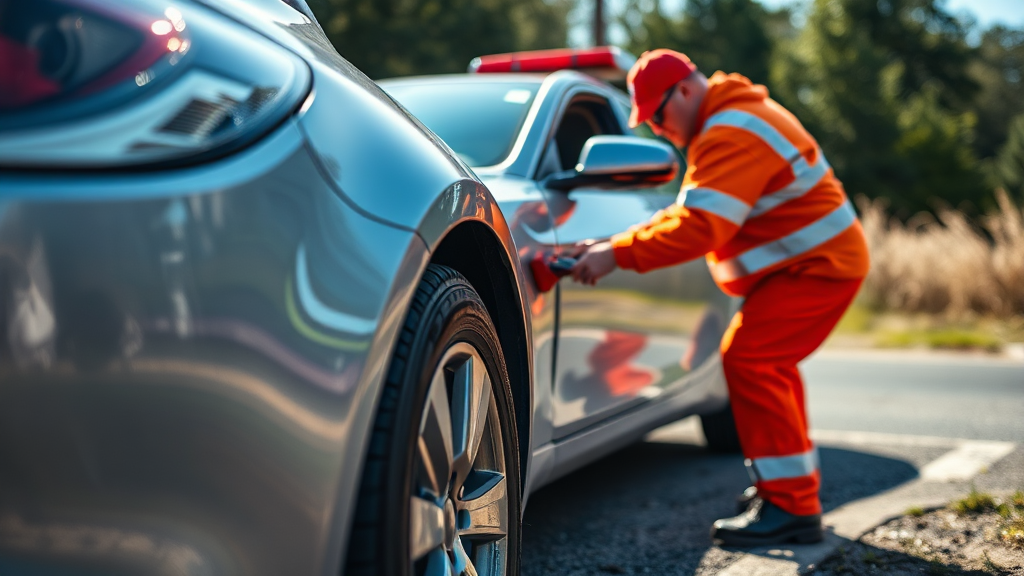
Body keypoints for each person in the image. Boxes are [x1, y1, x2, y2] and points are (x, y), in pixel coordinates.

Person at [568, 49, 870, 547]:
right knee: (764, 364)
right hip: (807, 267)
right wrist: (610, 246)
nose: (660, 130)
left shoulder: (732, 130)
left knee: (752, 361)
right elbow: (688, 213)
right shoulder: (727, 121)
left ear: (684, 90)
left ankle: (793, 509)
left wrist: (616, 256)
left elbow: (701, 227)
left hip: (815, 269)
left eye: (659, 117)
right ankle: (786, 492)